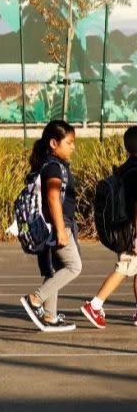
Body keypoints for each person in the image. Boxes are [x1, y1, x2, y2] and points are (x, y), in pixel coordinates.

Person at [20, 120, 81, 332]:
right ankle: (35, 299)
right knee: (74, 266)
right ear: (54, 143)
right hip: (58, 224)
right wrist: (61, 229)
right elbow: (54, 197)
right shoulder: (54, 167)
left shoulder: (49, 164)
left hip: (52, 226)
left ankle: (50, 316)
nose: (73, 147)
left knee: (54, 270)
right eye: (70, 142)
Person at [81, 126, 137, 329]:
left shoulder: (125, 168)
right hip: (132, 231)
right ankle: (95, 305)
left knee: (134, 269)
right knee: (123, 268)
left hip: (123, 228)